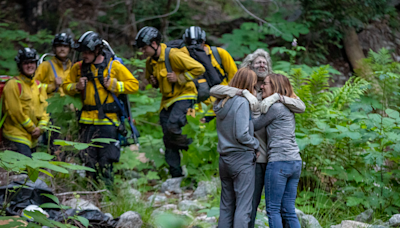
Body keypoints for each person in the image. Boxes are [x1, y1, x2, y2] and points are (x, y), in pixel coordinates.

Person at [210, 48, 305, 228]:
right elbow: (215, 89)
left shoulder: (273, 91)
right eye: (258, 62)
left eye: (265, 63)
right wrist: (243, 93)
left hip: (275, 158)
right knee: (250, 206)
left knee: (276, 208)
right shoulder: (246, 92)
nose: (262, 65)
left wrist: (277, 97)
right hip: (255, 157)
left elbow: (301, 106)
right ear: (250, 67)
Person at [134, 26, 205, 193]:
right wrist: (154, 81)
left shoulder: (173, 54)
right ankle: (176, 175)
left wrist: (180, 77)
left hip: (184, 95)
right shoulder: (150, 62)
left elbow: (199, 69)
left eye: (144, 48)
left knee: (174, 126)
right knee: (167, 137)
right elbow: (152, 82)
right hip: (167, 101)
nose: (143, 51)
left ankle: (193, 150)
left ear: (154, 43)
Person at [62, 31, 139, 185]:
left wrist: (116, 85)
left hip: (108, 122)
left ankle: (108, 193)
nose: (84, 55)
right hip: (86, 121)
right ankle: (91, 192)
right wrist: (75, 87)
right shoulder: (78, 68)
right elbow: (65, 86)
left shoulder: (113, 66)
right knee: (88, 160)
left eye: (88, 52)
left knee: (106, 160)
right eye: (83, 52)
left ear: (97, 50)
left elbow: (134, 85)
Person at [253, 73, 302, 228]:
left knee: (273, 210)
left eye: (265, 83)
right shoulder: (288, 106)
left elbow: (254, 125)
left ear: (275, 86)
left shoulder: (275, 107)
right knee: (288, 210)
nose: (262, 86)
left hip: (279, 162)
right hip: (295, 161)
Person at [214, 67, 259, 228]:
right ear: (248, 85)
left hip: (224, 159)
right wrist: (256, 144)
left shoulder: (222, 103)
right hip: (241, 159)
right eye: (254, 86)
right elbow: (242, 134)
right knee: (243, 207)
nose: (256, 89)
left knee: (226, 206)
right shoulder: (241, 102)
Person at [181, 26, 238, 122]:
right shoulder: (182, 57)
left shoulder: (219, 54)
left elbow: (236, 79)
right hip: (195, 111)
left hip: (220, 108)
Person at [2, 48, 49, 157]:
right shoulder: (13, 85)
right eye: (26, 63)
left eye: (32, 62)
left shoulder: (39, 86)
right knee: (24, 172)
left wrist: (41, 128)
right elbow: (15, 112)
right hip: (16, 135)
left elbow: (46, 111)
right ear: (20, 65)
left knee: (33, 171)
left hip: (33, 138)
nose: (29, 66)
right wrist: (32, 128)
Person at [35, 33, 73, 97]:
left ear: (70, 49)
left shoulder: (73, 67)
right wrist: (52, 86)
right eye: (59, 46)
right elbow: (33, 86)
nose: (62, 49)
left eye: (65, 46)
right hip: (50, 104)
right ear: (54, 48)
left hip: (68, 105)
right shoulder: (45, 65)